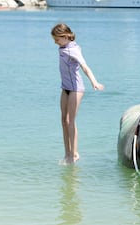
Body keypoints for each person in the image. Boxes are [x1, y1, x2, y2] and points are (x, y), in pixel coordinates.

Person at [51, 23, 104, 165]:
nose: (55, 42)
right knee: (63, 120)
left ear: (65, 36)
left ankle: (74, 154)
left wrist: (94, 82)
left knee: (70, 121)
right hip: (65, 88)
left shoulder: (73, 50)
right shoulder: (62, 48)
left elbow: (85, 67)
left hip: (76, 89)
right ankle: (67, 153)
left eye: (57, 39)